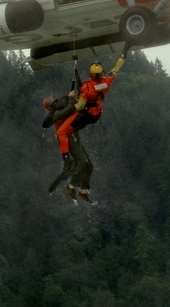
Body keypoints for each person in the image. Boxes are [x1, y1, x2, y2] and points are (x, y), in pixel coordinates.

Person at [48, 52, 128, 203]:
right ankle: (76, 187)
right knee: (86, 164)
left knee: (86, 163)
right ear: (101, 73)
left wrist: (74, 99)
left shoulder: (86, 88)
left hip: (84, 118)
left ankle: (77, 186)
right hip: (91, 118)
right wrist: (123, 55)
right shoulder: (106, 82)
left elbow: (80, 105)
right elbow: (115, 70)